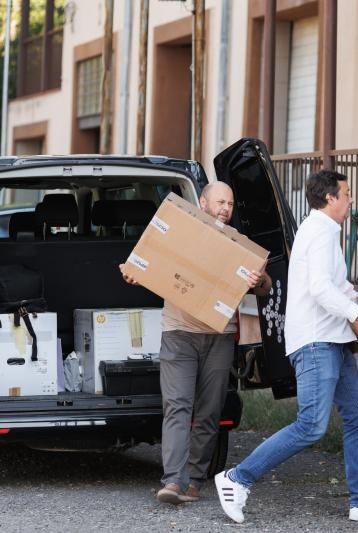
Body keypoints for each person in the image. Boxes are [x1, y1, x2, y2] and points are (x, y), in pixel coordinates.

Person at [213, 169, 358, 524]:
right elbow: (319, 289)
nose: (351, 201)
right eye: (347, 194)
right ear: (330, 198)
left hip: (334, 339)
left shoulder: (325, 231)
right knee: (311, 426)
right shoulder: (319, 231)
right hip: (318, 342)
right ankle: (236, 478)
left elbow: (337, 286)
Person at [120, 181, 271, 504]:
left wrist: (260, 280)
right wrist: (134, 272)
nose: (225, 209)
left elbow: (265, 288)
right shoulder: (181, 232)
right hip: (179, 333)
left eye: (230, 204)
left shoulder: (240, 247)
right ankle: (173, 481)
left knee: (210, 411)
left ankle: (195, 479)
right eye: (220, 202)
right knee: (177, 405)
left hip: (219, 337)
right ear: (202, 203)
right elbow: (149, 262)